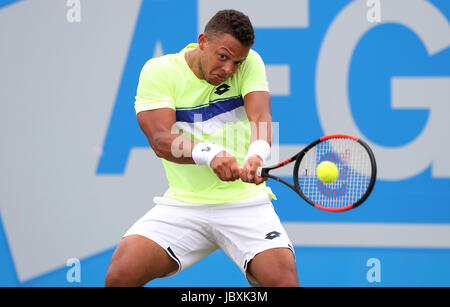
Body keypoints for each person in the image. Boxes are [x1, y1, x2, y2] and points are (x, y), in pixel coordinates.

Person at [105, 9, 299, 287]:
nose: (229, 69)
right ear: (202, 42)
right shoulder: (160, 71)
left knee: (284, 282)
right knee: (120, 276)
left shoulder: (251, 63)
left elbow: (262, 119)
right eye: (223, 57)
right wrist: (210, 156)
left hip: (245, 203)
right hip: (185, 203)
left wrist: (257, 154)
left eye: (237, 62)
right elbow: (161, 140)